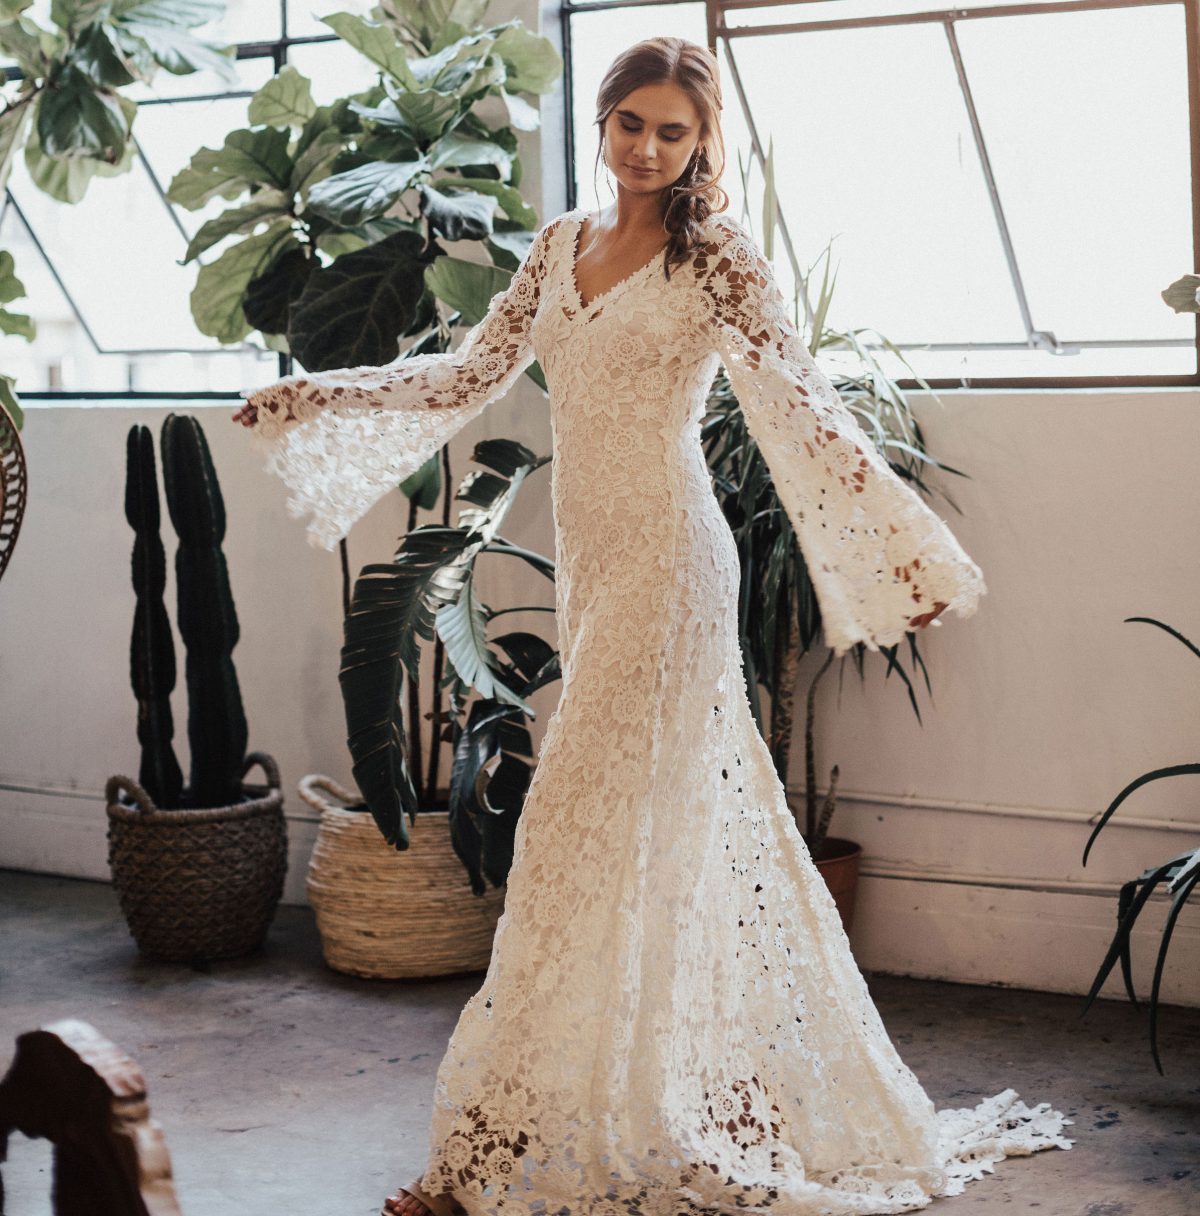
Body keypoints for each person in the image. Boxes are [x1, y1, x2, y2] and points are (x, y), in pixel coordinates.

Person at [234, 35, 1072, 1216]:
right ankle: (633, 1100)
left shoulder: (716, 256)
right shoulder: (558, 246)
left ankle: (475, 1158)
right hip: (597, 560)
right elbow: (468, 373)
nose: (647, 148)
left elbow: (801, 400)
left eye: (673, 132)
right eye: (632, 122)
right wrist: (316, 393)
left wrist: (903, 549)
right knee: (620, 842)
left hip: (676, 565)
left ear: (700, 144)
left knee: (577, 835)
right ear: (607, 121)